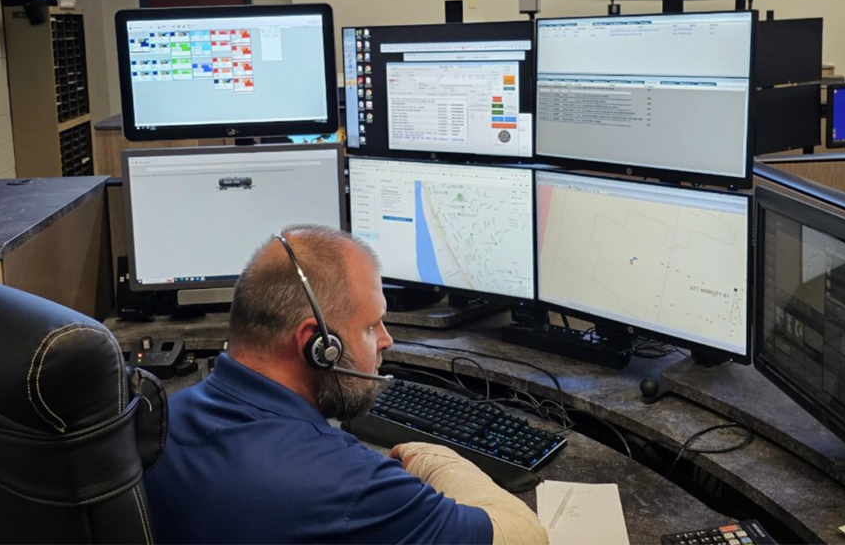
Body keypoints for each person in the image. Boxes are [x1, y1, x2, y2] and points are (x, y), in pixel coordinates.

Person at [145, 225, 547, 544]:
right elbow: (523, 535)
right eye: (371, 326)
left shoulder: (162, 419)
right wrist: (435, 458)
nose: (387, 340)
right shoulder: (350, 486)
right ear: (319, 346)